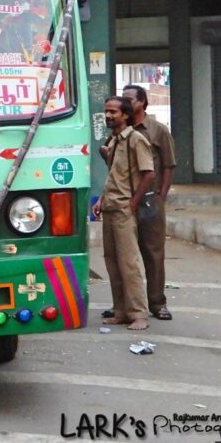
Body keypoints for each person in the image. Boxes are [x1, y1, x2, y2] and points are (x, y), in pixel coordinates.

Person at [93, 96, 154, 331]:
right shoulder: (115, 141)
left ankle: (139, 314)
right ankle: (121, 311)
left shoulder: (135, 140)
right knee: (113, 264)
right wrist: (101, 200)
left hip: (123, 211)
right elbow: (113, 177)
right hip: (110, 208)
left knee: (130, 264)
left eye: (113, 112)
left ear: (125, 115)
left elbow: (148, 173)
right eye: (106, 112)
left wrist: (133, 203)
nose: (108, 116)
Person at [122, 83, 176, 321]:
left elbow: (167, 165)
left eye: (130, 99)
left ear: (143, 102)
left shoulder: (158, 131)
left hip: (150, 200)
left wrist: (161, 197)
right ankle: (127, 305)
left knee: (153, 253)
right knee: (124, 254)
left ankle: (157, 302)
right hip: (124, 199)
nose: (126, 103)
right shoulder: (120, 129)